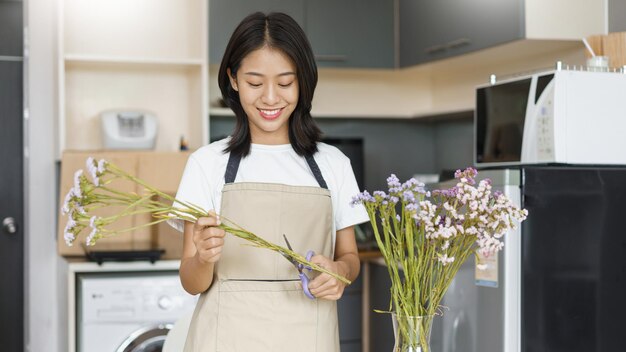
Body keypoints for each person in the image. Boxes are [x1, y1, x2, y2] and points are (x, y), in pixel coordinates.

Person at [170, 12, 369, 352]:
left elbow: (350, 256)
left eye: (285, 82)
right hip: (225, 339)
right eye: (255, 83)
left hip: (309, 338)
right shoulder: (207, 164)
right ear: (233, 79)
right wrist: (203, 259)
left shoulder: (333, 164)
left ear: (302, 81)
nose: (271, 98)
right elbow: (191, 281)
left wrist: (338, 272)